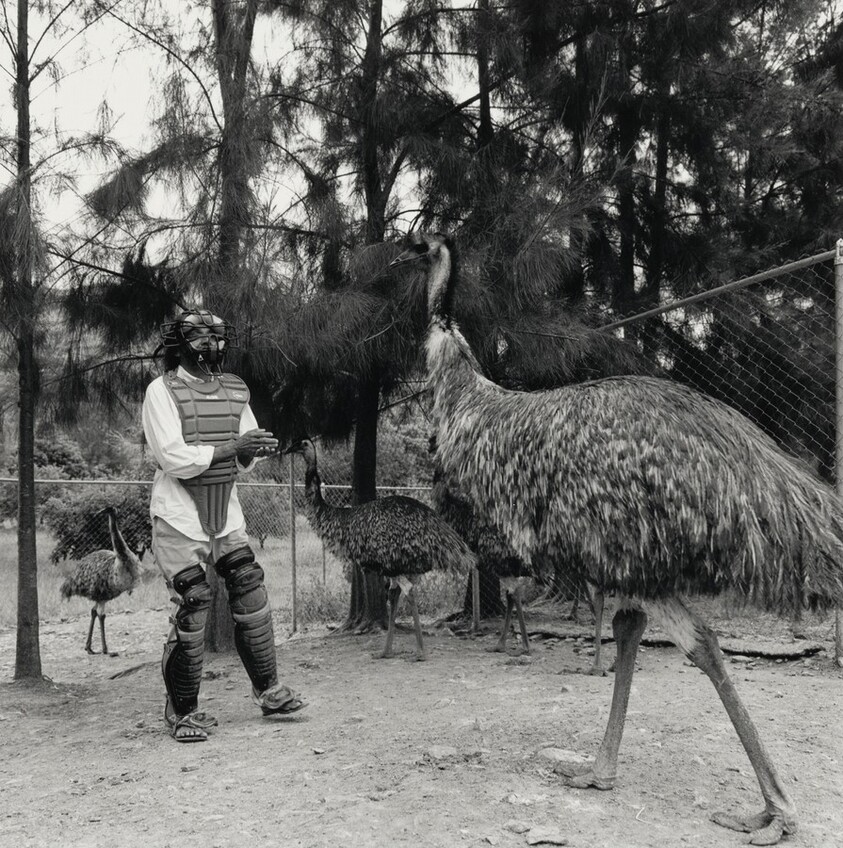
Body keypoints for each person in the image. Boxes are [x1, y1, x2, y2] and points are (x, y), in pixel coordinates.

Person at [142, 306, 306, 742]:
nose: (211, 345)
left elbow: (244, 453)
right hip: (179, 515)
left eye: (216, 337)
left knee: (249, 586)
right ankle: (183, 712)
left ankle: (270, 691)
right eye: (201, 338)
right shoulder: (161, 391)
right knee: (194, 601)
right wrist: (234, 446)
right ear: (181, 343)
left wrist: (253, 450)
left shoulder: (236, 390)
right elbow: (172, 457)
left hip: (226, 511)